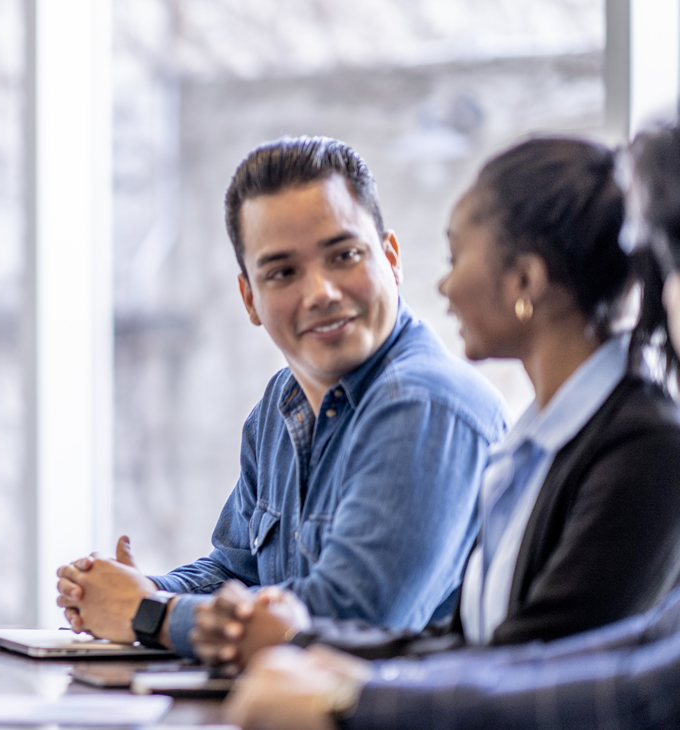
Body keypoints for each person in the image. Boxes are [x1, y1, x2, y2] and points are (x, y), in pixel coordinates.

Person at [224, 121, 680, 730]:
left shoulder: (644, 446)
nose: (443, 284)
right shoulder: (537, 443)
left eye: (456, 256)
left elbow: (541, 669)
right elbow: (475, 643)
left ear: (524, 281)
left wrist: (340, 691)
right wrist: (309, 648)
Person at [57, 137, 509, 658]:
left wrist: (149, 614)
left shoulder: (425, 405)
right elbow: (234, 570)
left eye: (343, 255)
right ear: (250, 297)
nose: (320, 292)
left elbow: (347, 621)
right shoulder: (281, 403)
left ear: (390, 258)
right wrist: (132, 592)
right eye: (283, 273)